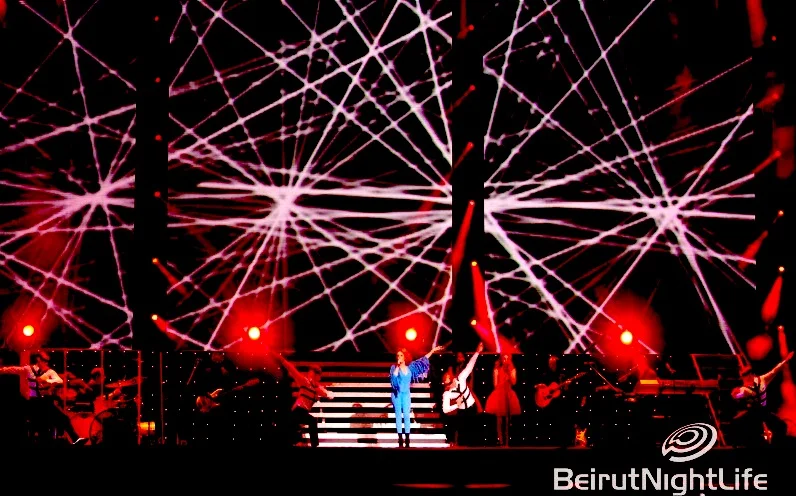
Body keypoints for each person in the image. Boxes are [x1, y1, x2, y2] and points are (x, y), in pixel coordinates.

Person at [0, 351, 86, 445]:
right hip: (33, 402)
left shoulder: (49, 372)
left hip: (45, 401)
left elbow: (59, 380)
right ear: (38, 359)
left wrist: (46, 380)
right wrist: (2, 370)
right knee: (41, 426)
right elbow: (13, 369)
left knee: (63, 418)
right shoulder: (28, 369)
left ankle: (75, 439)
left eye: (47, 361)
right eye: (44, 360)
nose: (46, 363)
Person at [732, 351, 793, 446]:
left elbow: (774, 371)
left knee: (782, 426)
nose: (745, 378)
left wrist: (785, 360)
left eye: (746, 375)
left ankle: (779, 443)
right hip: (752, 413)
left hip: (763, 412)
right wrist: (736, 394)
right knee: (738, 423)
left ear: (751, 374)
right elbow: (737, 395)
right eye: (743, 376)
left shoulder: (762, 380)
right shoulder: (744, 389)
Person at [390, 345, 445, 447]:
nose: (399, 357)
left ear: (404, 357)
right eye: (398, 355)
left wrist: (432, 350)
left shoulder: (410, 368)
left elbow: (423, 360)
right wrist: (397, 366)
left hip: (406, 394)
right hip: (397, 394)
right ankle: (400, 438)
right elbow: (394, 378)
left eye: (401, 355)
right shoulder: (394, 368)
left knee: (407, 415)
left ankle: (407, 438)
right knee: (398, 415)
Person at [274, 354, 333, 447]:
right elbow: (291, 368)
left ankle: (309, 444)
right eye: (315, 372)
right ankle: (313, 445)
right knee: (310, 422)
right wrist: (280, 358)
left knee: (305, 428)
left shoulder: (316, 389)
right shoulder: (304, 381)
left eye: (318, 373)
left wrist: (323, 391)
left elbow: (330, 395)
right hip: (297, 411)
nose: (316, 375)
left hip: (303, 413)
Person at [442, 343, 483, 446]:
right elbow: (446, 408)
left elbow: (470, 367)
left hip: (468, 400)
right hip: (459, 402)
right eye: (458, 357)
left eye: (461, 356)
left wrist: (477, 352)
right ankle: (455, 441)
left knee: (467, 423)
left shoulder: (462, 376)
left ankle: (466, 442)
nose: (459, 358)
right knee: (457, 422)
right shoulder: (449, 391)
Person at [485, 353, 521, 446]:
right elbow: (495, 384)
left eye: (507, 358)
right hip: (499, 393)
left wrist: (509, 373)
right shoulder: (497, 369)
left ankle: (507, 440)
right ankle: (500, 440)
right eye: (504, 358)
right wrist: (499, 374)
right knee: (499, 418)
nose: (505, 360)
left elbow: (514, 382)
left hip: (508, 393)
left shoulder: (512, 369)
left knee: (508, 418)